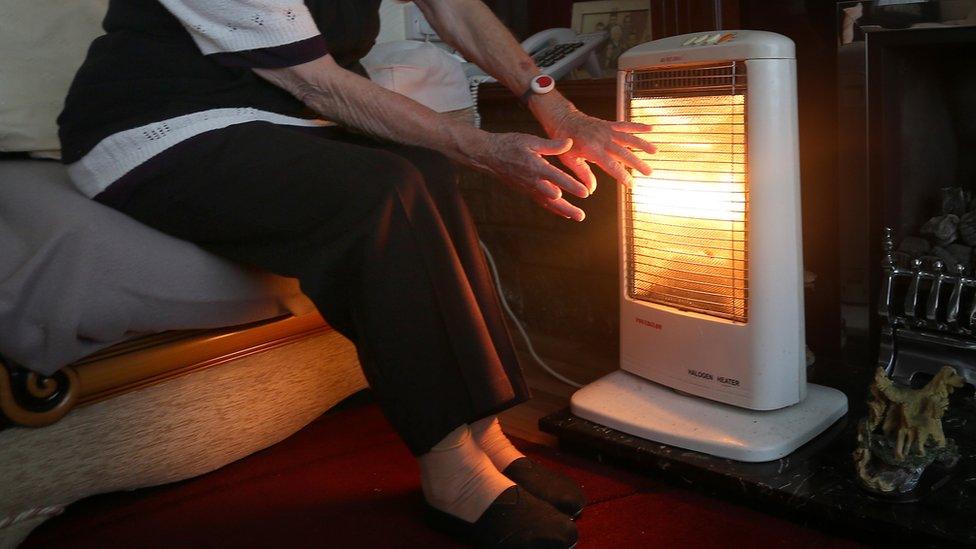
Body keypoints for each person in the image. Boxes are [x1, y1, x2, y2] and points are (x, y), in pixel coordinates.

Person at [58, 1, 655, 547]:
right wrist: (484, 146)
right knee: (381, 192)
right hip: (155, 126)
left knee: (427, 169)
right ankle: (450, 468)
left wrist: (553, 103)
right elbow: (319, 83)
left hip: (276, 115)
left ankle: (483, 429)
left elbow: (454, 7)